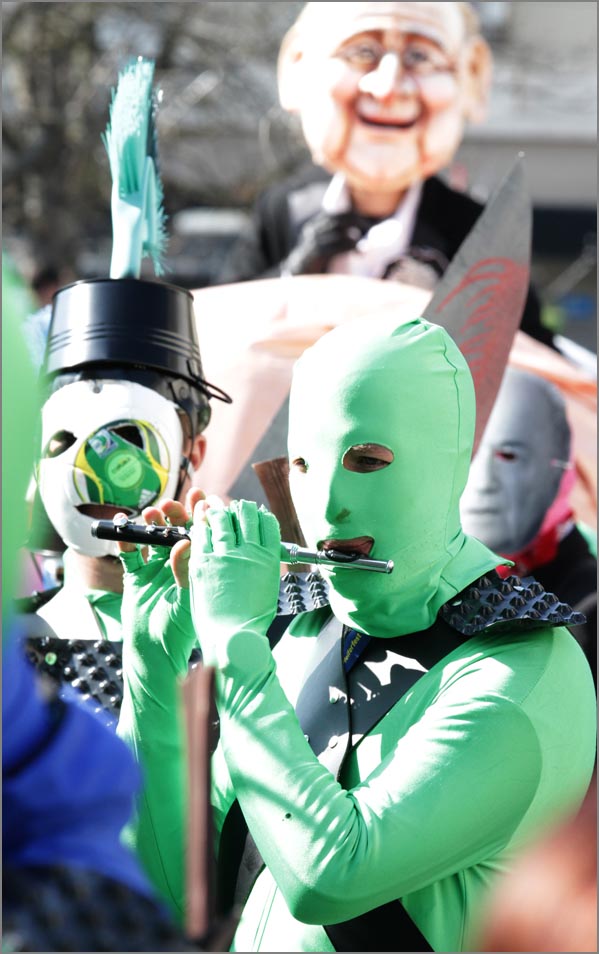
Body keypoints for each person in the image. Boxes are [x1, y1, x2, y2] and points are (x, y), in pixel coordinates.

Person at [117, 313, 595, 952]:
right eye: (303, 465)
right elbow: (172, 894)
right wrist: (152, 665)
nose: (327, 505)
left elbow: (330, 877)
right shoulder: (302, 629)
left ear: (448, 464)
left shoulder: (522, 668)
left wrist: (233, 642)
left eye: (367, 460)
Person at [218, 1, 553, 349]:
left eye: (420, 57)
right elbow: (220, 324)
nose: (388, 88)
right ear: (298, 67)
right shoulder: (286, 208)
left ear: (472, 76)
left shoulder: (476, 231)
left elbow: (533, 351)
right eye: (362, 52)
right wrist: (294, 273)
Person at [460, 366, 597, 681]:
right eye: (470, 454)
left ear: (560, 472)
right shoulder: (446, 585)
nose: (483, 482)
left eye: (508, 456)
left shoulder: (589, 606)